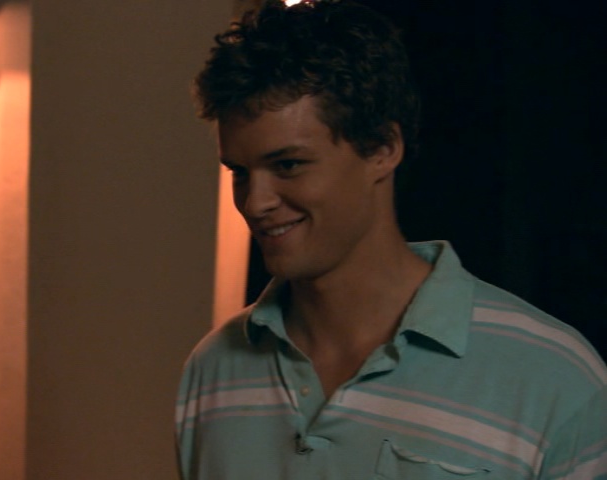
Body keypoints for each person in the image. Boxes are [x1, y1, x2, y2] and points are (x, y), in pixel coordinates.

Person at [174, 1, 607, 478]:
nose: (255, 203)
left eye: (288, 165)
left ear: (383, 148)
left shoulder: (554, 379)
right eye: (239, 172)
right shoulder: (212, 371)